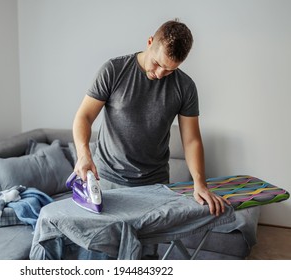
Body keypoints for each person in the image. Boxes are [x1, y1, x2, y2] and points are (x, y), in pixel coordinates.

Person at [72, 19, 230, 218]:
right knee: (106, 247)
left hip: (155, 185)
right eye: (157, 63)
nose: (160, 74)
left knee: (148, 248)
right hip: (107, 179)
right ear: (149, 42)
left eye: (170, 70)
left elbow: (191, 141)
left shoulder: (185, 87)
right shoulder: (114, 70)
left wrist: (200, 184)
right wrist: (84, 154)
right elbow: (84, 116)